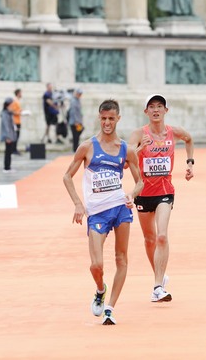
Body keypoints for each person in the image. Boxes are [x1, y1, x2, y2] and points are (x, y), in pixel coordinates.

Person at [63, 99, 143, 326]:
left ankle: (110, 308)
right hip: (97, 213)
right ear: (99, 118)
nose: (107, 123)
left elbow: (140, 183)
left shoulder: (126, 149)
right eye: (104, 118)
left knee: (121, 258)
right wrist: (78, 204)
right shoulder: (87, 147)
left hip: (120, 208)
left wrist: (132, 195)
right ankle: (100, 289)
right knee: (96, 265)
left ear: (118, 118)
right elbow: (67, 176)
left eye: (111, 118)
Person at [128, 94, 194, 303]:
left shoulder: (173, 132)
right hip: (143, 193)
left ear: (166, 110)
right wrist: (140, 148)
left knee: (162, 236)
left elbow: (189, 139)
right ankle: (159, 274)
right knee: (149, 239)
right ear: (145, 112)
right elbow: (125, 160)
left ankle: (157, 287)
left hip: (165, 191)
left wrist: (190, 163)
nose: (156, 110)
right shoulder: (139, 133)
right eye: (151, 107)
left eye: (159, 106)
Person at [0, 98, 17, 173]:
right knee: (8, 151)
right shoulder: (5, 114)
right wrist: (7, 136)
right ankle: (6, 167)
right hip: (8, 135)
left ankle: (8, 166)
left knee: (9, 151)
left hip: (10, 134)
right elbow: (6, 126)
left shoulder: (9, 113)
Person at [8, 89, 23, 154]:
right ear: (18, 93)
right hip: (15, 121)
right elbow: (12, 111)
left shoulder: (17, 101)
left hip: (18, 121)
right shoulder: (15, 101)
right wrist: (19, 112)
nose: (21, 94)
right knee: (15, 136)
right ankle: (13, 149)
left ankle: (14, 149)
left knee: (17, 135)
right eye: (20, 93)